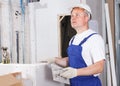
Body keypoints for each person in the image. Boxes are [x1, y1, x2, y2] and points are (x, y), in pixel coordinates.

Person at [46, 3, 105, 86]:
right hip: (74, 83)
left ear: (86, 18)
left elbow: (99, 67)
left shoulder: (94, 39)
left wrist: (76, 72)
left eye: (77, 15)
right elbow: (71, 60)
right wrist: (55, 60)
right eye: (72, 15)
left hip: (89, 83)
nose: (73, 18)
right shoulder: (73, 39)